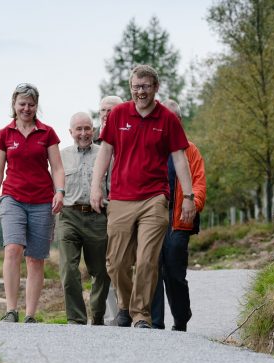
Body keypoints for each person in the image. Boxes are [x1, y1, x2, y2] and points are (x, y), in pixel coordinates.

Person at [89, 64, 196, 329]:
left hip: (154, 198)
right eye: (136, 87)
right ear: (130, 88)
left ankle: (141, 315)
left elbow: (180, 158)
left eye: (146, 86)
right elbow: (105, 152)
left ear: (155, 88)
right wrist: (96, 186)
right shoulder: (118, 115)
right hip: (121, 197)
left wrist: (189, 196)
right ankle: (125, 306)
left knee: (147, 259)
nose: (140, 92)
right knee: (117, 262)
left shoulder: (167, 119)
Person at [0, 83, 65, 324]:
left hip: (42, 200)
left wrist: (59, 191)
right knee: (12, 249)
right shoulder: (4, 134)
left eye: (31, 104)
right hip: (12, 198)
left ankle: (30, 314)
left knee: (35, 258)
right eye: (22, 104)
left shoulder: (47, 133)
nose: (26, 108)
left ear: (36, 106)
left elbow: (58, 167)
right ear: (14, 105)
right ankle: (11, 310)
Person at [151, 99, 207, 332]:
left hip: (179, 220)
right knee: (152, 269)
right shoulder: (151, 146)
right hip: (152, 218)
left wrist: (193, 204)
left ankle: (181, 317)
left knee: (174, 273)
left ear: (179, 121)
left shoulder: (190, 149)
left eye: (173, 118)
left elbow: (199, 183)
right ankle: (155, 323)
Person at [57, 112, 110, 325]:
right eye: (78, 129)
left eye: (87, 128)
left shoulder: (105, 153)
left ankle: (97, 316)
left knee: (102, 272)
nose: (83, 133)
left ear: (94, 130)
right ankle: (76, 319)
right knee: (69, 271)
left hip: (98, 216)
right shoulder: (61, 156)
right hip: (69, 215)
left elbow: (113, 184)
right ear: (71, 132)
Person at [93, 95, 123, 325]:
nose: (106, 114)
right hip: (94, 208)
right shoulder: (90, 135)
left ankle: (121, 313)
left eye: (111, 109)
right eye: (103, 109)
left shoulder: (126, 133)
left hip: (120, 203)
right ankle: (100, 314)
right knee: (99, 264)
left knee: (118, 260)